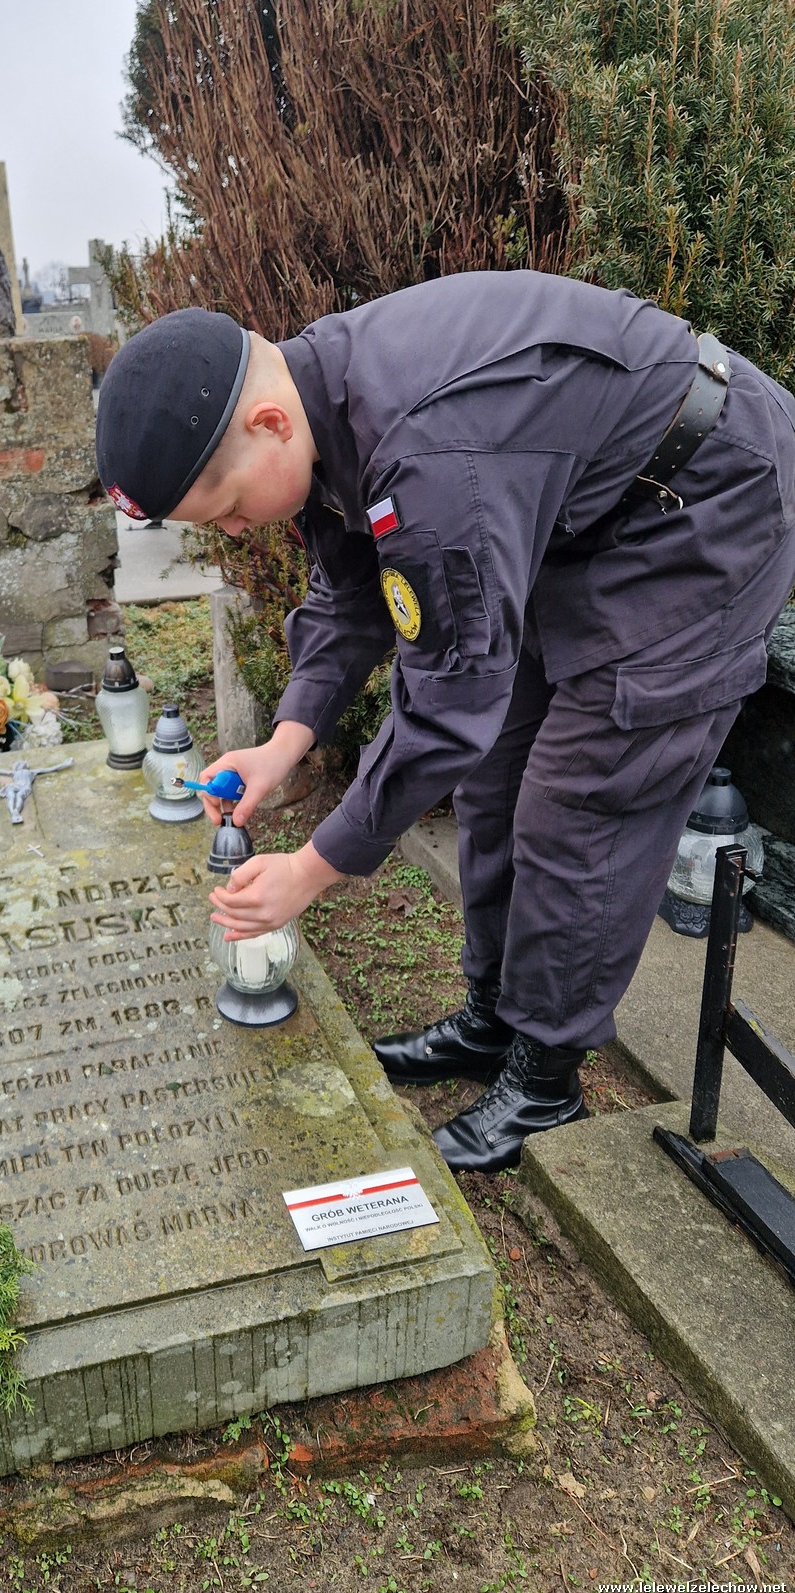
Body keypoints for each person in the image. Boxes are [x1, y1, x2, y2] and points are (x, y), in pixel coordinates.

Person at [94, 274, 795, 1174]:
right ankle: (494, 1017)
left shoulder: (428, 456)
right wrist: (285, 740)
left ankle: (545, 1075)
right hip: (600, 505)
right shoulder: (318, 400)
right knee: (496, 771)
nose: (234, 529)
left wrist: (312, 869)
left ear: (267, 424)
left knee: (582, 799)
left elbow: (447, 704)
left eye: (227, 506)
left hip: (705, 503)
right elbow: (350, 592)